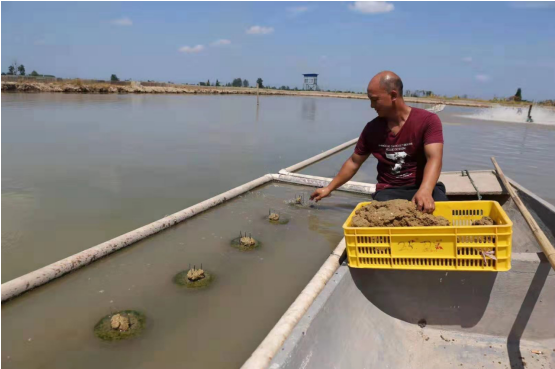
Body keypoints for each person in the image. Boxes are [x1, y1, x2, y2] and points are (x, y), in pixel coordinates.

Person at [310, 71, 447, 213]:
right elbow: (354, 162)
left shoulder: (427, 120)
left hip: (422, 185)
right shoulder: (372, 129)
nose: (371, 105)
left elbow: (434, 158)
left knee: (443, 212)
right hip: (390, 191)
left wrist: (425, 190)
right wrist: (328, 188)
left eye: (375, 100)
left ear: (393, 95)